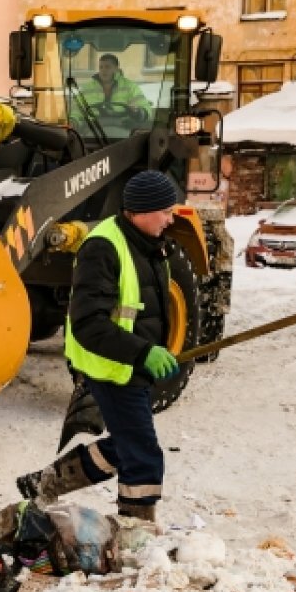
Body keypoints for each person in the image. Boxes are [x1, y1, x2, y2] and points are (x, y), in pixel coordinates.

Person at [16, 170, 182, 523]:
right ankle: (136, 530)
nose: (171, 219)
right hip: (109, 367)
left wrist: (155, 350)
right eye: (165, 211)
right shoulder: (103, 247)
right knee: (143, 456)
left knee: (125, 444)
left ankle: (44, 483)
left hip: (130, 365)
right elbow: (89, 323)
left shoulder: (150, 244)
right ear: (140, 211)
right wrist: (143, 352)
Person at [73, 53, 153, 124]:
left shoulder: (130, 87)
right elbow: (76, 109)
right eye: (101, 67)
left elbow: (145, 109)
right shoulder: (87, 88)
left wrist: (137, 112)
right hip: (93, 129)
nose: (103, 70)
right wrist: (73, 121)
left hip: (123, 129)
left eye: (107, 67)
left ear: (116, 69)